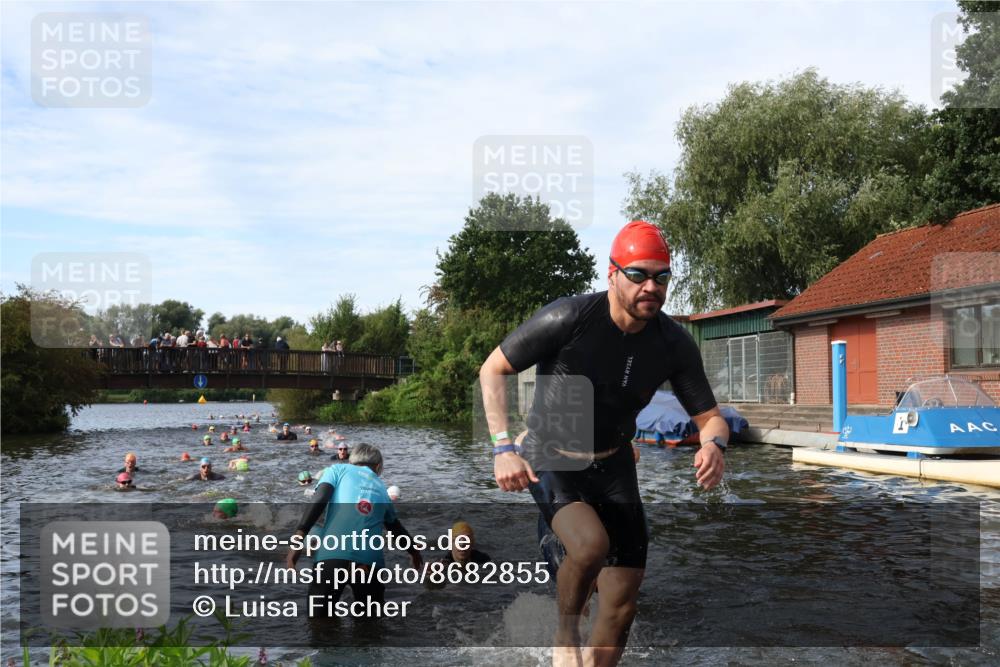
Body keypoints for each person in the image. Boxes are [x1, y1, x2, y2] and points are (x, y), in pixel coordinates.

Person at [478, 220, 727, 667]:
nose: (651, 286)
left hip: (614, 463)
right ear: (612, 274)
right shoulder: (569, 317)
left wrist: (713, 446)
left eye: (661, 276)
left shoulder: (673, 343)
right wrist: (502, 447)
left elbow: (711, 419)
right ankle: (565, 636)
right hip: (550, 455)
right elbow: (493, 368)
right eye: (638, 275)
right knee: (590, 546)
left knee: (622, 598)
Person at [285, 444, 423, 617]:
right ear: (379, 467)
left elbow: (319, 499)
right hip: (369, 563)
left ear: (351, 461)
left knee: (319, 624)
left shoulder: (336, 470)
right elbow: (395, 528)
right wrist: (414, 552)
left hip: (332, 556)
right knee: (369, 629)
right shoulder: (382, 489)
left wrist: (299, 537)